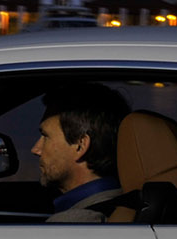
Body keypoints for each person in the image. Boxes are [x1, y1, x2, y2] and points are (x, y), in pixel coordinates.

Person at [33, 82, 129, 221]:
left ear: (80, 145)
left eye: (46, 136)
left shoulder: (72, 223)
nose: (36, 149)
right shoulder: (123, 203)